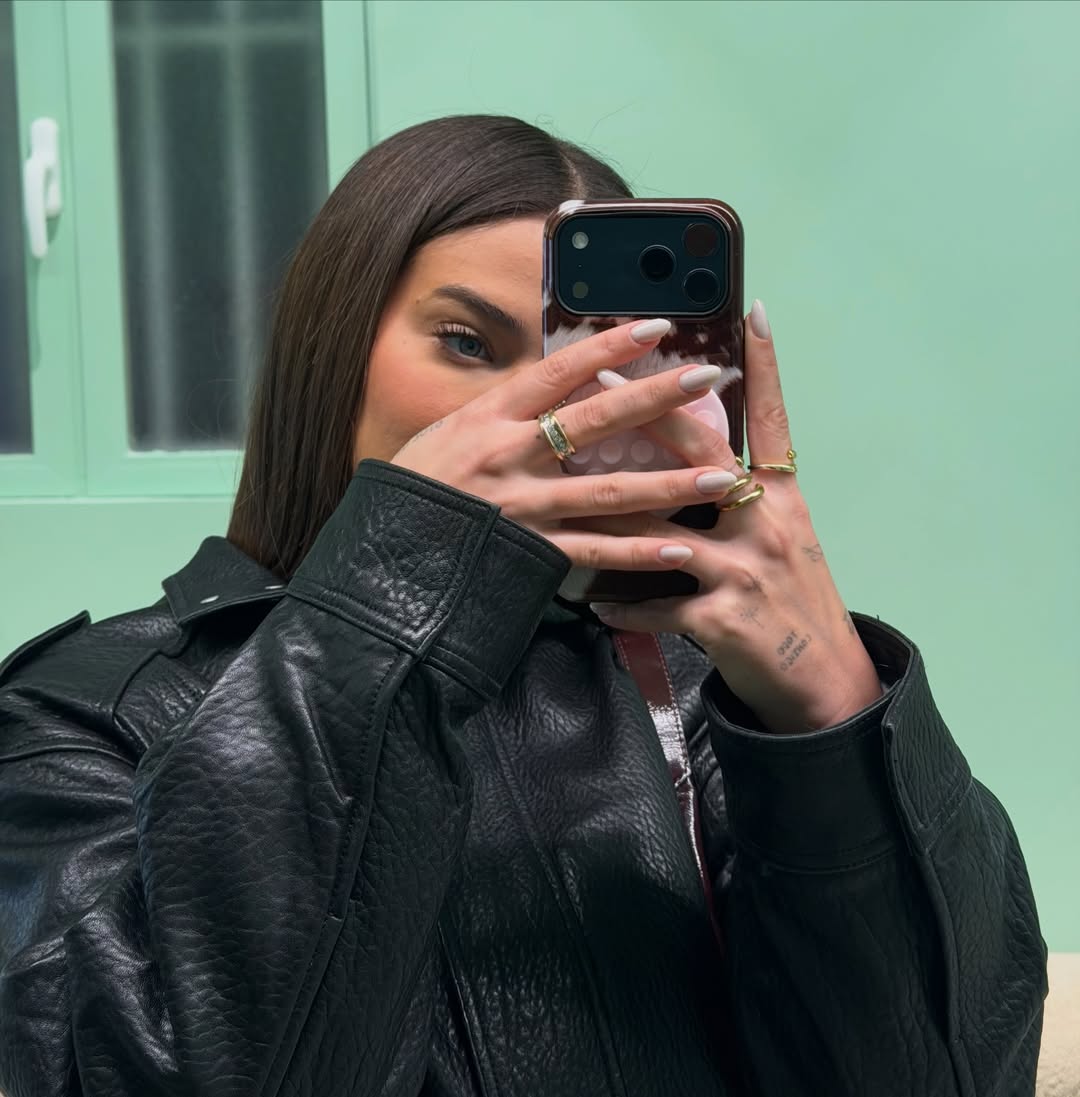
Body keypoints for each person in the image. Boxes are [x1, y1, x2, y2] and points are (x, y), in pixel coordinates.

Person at [0, 114, 1047, 1097]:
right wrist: (403, 585)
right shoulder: (83, 712)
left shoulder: (718, 702)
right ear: (333, 352)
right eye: (467, 342)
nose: (534, 410)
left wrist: (834, 719)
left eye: (596, 371)